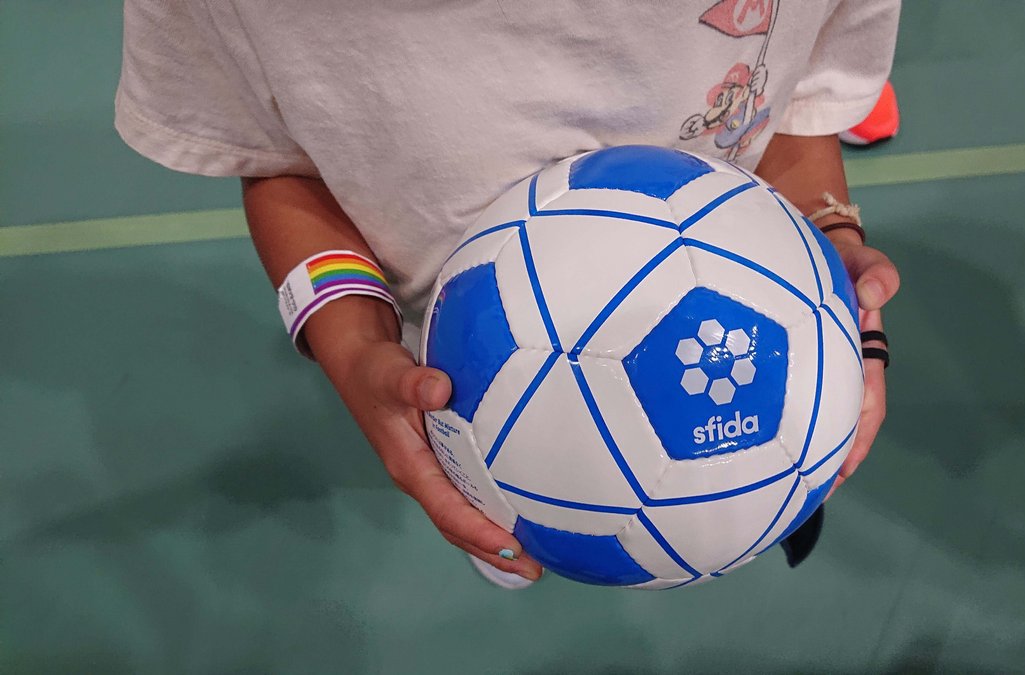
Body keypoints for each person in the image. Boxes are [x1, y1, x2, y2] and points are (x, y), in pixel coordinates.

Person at [116, 0, 901, 588]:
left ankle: (740, 494)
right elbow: (280, 153)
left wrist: (825, 232)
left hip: (767, 336)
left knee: (721, 488)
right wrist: (353, 347)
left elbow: (794, 93)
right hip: (471, 396)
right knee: (521, 538)